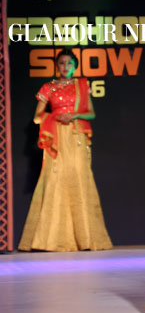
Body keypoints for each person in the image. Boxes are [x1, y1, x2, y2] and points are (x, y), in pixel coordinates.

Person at [18, 50, 112, 252]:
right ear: (57, 65)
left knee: (79, 179)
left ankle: (85, 239)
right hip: (56, 137)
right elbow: (37, 116)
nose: (65, 67)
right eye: (62, 63)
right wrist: (54, 117)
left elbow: (91, 114)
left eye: (69, 63)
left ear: (75, 66)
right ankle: (51, 240)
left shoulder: (82, 85)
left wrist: (74, 115)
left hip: (77, 136)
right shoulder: (48, 87)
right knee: (55, 179)